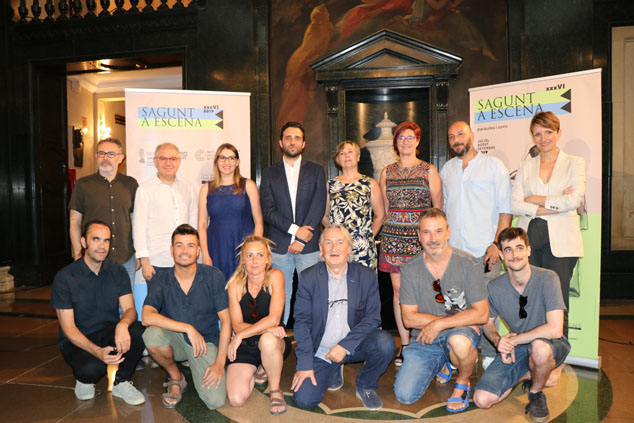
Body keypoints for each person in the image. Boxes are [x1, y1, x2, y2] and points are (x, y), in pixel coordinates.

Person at [393, 208, 488, 412]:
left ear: (448, 232)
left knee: (459, 342)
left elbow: (482, 313)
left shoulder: (468, 263)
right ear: (419, 236)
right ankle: (442, 361)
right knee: (404, 395)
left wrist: (440, 324)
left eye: (438, 231)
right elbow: (408, 319)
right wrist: (445, 322)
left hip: (460, 332)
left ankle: (462, 381)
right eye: (426, 232)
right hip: (426, 337)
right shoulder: (409, 269)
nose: (433, 238)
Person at [291, 225, 395, 411]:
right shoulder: (308, 278)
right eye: (328, 243)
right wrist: (304, 364)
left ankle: (366, 385)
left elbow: (373, 317)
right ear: (321, 249)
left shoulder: (366, 276)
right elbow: (302, 322)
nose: (334, 248)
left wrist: (344, 346)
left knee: (385, 342)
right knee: (304, 400)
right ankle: (332, 367)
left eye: (340, 242)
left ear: (349, 248)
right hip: (321, 350)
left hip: (353, 346)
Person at [474, 227, 570, 423]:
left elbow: (555, 329)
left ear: (528, 250)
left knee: (540, 348)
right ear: (501, 255)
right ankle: (530, 372)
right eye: (508, 250)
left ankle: (535, 392)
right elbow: (487, 324)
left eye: (519, 248)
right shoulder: (494, 287)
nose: (515, 255)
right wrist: (498, 341)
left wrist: (514, 340)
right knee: (482, 400)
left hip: (550, 343)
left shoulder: (548, 278)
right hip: (517, 347)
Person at [440, 121, 512, 369]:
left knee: (487, 307)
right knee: (456, 306)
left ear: (472, 135)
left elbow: (505, 208)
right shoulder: (447, 170)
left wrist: (496, 244)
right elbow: (444, 209)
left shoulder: (493, 166)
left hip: (485, 252)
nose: (456, 140)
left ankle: (490, 354)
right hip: (454, 254)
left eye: (460, 134)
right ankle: (458, 354)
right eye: (451, 136)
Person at [50, 220, 145, 405]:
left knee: (140, 331)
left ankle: (121, 382)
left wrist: (123, 324)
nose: (102, 246)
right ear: (83, 242)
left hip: (108, 332)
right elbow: (68, 328)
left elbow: (130, 309)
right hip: (78, 340)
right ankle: (84, 380)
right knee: (93, 369)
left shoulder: (117, 271)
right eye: (96, 239)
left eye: (106, 240)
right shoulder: (65, 277)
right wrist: (97, 352)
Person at [510, 111, 585, 340]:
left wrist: (534, 199)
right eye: (537, 134)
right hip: (530, 237)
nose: (543, 138)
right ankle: (531, 351)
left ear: (559, 133)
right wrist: (555, 203)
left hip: (562, 242)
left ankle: (557, 355)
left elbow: (574, 201)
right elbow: (515, 204)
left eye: (548, 132)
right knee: (530, 299)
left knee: (557, 301)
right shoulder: (525, 165)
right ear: (532, 137)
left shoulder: (574, 163)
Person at [141, 224, 230, 410]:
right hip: (175, 340)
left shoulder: (213, 276)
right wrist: (188, 328)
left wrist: (219, 363)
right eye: (179, 245)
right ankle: (176, 377)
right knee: (151, 335)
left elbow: (226, 321)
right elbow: (147, 316)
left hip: (205, 343)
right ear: (171, 250)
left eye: (190, 245)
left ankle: (202, 365)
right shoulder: (161, 278)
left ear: (198, 251)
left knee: (215, 401)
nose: (184, 251)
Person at [378, 121, 443, 365]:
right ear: (395, 143)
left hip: (421, 240)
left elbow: (438, 208)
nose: (405, 142)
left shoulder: (428, 170)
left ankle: (426, 340)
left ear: (417, 141)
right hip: (394, 239)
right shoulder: (387, 172)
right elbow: (385, 209)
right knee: (398, 293)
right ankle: (405, 344)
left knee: (425, 291)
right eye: (401, 138)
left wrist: (434, 239)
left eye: (410, 138)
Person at [259, 121, 327, 324]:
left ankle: (312, 337)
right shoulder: (269, 174)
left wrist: (302, 240)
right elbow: (268, 210)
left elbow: (318, 206)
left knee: (312, 295)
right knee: (280, 296)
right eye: (288, 137)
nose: (292, 141)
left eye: (297, 138)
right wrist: (296, 231)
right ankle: (279, 337)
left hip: (309, 246)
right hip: (279, 246)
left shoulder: (316, 171)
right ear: (281, 143)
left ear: (303, 144)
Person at [225, 236, 292, 415]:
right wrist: (264, 329)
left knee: (268, 340)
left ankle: (275, 390)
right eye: (249, 255)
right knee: (236, 399)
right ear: (243, 260)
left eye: (260, 255)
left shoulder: (276, 276)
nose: (255, 260)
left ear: (267, 259)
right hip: (246, 344)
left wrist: (240, 335)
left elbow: (274, 319)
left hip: (273, 342)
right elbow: (237, 325)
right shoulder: (235, 284)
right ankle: (260, 366)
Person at [69, 138, 138, 288]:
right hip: (92, 259)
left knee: (126, 301)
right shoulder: (83, 185)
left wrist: (139, 252)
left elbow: (135, 221)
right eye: (101, 153)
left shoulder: (131, 184)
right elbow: (74, 222)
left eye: (111, 154)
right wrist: (77, 252)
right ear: (96, 156)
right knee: (94, 300)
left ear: (121, 158)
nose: (105, 157)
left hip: (125, 259)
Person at [133, 142, 198, 283]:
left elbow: (194, 225)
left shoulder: (188, 188)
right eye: (163, 158)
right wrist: (144, 260)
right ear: (155, 161)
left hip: (185, 260)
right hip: (156, 262)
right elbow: (139, 227)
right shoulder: (145, 190)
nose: (168, 163)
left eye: (173, 159)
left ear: (179, 162)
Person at [198, 143, 264, 281]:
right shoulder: (206, 189)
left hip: (242, 249)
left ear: (237, 162)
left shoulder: (249, 185)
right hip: (216, 248)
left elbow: (259, 222)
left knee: (243, 289)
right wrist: (205, 254)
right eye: (222, 158)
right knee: (217, 289)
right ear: (216, 161)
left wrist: (254, 252)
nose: (226, 162)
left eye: (231, 158)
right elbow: (202, 224)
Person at [322, 141, 385, 269]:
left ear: (358, 156)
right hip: (337, 248)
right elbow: (323, 215)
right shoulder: (330, 185)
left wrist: (367, 237)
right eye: (342, 153)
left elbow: (380, 215)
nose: (346, 155)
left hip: (363, 248)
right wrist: (335, 235)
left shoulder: (370, 183)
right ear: (337, 160)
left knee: (365, 280)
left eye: (350, 152)